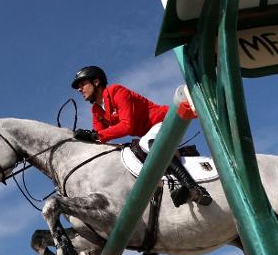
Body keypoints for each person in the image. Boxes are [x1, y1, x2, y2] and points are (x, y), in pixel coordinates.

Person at [71, 65, 212, 207]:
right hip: (150, 132)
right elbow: (100, 138)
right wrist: (86, 139)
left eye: (83, 84)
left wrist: (95, 136)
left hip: (167, 120)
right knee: (142, 146)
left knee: (147, 142)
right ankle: (176, 184)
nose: (79, 89)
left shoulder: (115, 91)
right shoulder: (96, 110)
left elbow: (127, 125)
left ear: (96, 82)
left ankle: (194, 188)